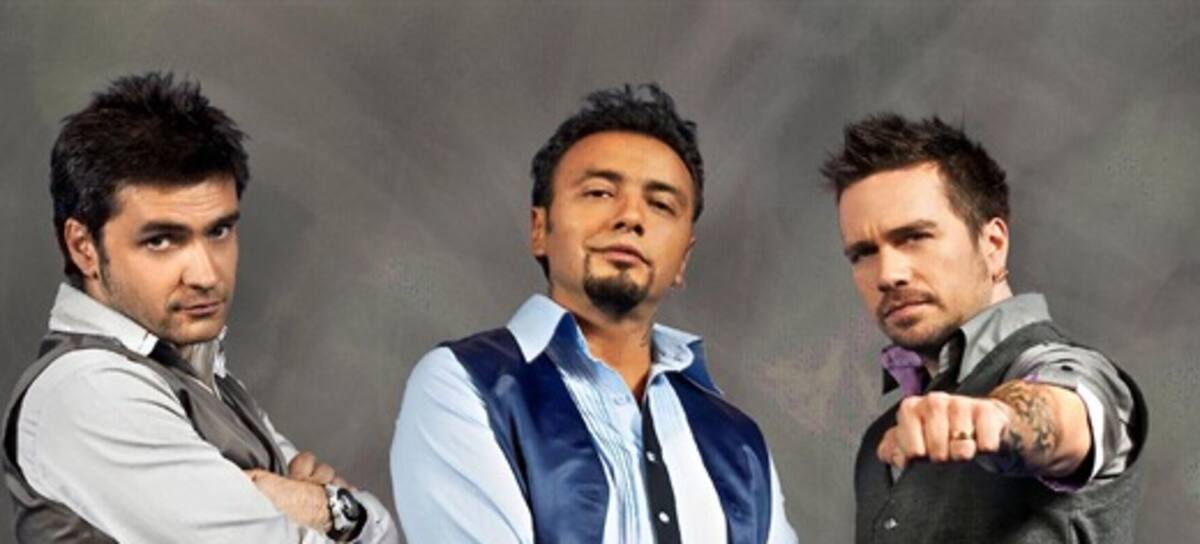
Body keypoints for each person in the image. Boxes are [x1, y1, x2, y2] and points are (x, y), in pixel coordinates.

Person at [1, 72, 398, 543]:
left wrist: (334, 511)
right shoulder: (88, 391)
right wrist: (335, 512)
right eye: (161, 240)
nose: (206, 274)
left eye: (219, 231)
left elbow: (386, 535)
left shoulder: (204, 375)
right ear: (83, 247)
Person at [391, 84, 798, 543]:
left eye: (661, 205)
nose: (631, 217)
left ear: (684, 259)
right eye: (601, 192)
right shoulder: (465, 383)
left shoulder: (739, 443)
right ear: (539, 228)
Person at [820, 113, 1148, 543]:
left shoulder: (1067, 369)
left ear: (993, 244)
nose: (887, 274)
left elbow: (1068, 410)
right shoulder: (879, 442)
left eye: (914, 237)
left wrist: (999, 419)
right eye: (863, 253)